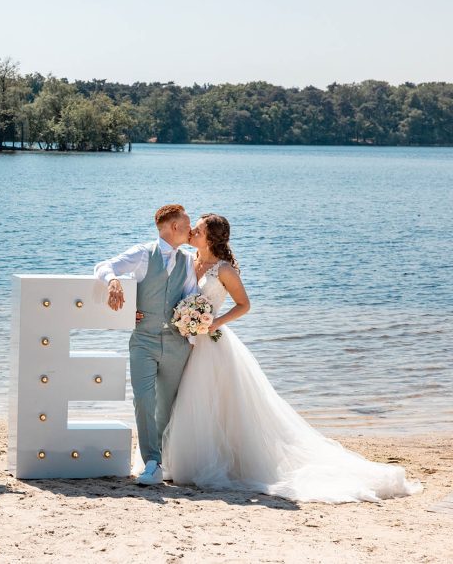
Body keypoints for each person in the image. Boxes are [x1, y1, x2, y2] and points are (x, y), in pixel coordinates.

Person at [161, 214, 422, 502]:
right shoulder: (187, 260)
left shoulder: (224, 271)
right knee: (181, 398)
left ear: (210, 238)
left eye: (197, 230)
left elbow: (244, 305)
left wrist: (215, 322)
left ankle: (212, 462)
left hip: (211, 342)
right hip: (185, 340)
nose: (192, 232)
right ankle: (174, 459)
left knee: (210, 402)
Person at [94, 204, 198, 486]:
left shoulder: (188, 261)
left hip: (176, 344)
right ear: (174, 227)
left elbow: (193, 299)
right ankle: (152, 462)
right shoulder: (142, 254)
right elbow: (104, 266)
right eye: (188, 225)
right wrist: (114, 281)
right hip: (144, 340)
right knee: (143, 399)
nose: (191, 230)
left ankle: (160, 460)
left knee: (166, 405)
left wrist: (192, 338)